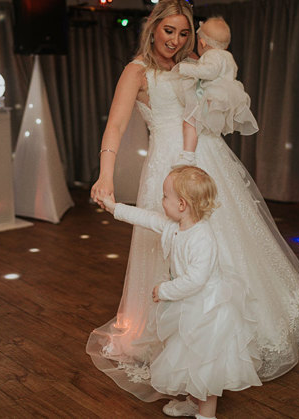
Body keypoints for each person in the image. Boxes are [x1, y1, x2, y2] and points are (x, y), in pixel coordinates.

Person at [88, 0, 299, 414]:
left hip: (210, 161)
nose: (175, 41)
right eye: (168, 31)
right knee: (169, 255)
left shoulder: (193, 69)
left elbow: (213, 110)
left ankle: (227, 340)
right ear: (153, 26)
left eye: (183, 33)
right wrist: (105, 176)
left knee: (229, 247)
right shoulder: (137, 71)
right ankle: (182, 353)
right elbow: (117, 125)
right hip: (167, 169)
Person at [99, 166, 262, 419]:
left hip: (207, 312)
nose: (161, 200)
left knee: (204, 366)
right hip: (186, 307)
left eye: (165, 196)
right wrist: (113, 207)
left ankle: (206, 415)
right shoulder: (173, 225)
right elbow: (145, 217)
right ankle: (191, 402)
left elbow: (196, 280)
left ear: (182, 204)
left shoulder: (202, 238)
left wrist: (164, 290)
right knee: (186, 357)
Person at [175, 17, 258, 166]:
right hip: (225, 96)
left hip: (213, 95)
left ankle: (188, 155)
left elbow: (209, 71)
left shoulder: (212, 55)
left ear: (202, 42)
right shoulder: (228, 56)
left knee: (190, 121)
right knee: (204, 124)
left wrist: (186, 68)